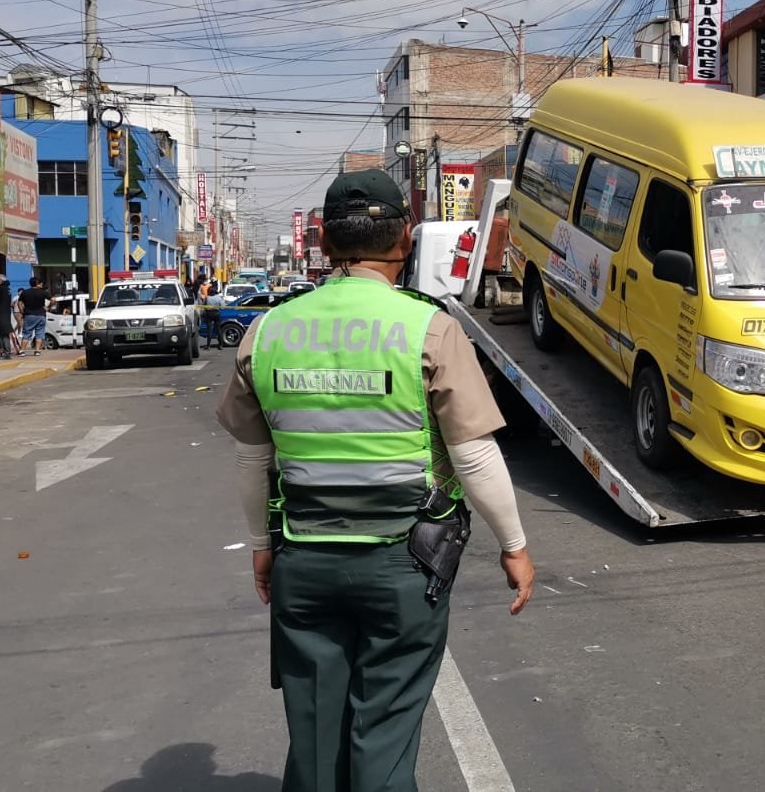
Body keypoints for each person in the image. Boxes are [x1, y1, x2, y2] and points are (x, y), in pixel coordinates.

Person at [216, 169, 536, 792]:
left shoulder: (268, 330)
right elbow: (472, 456)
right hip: (401, 566)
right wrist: (514, 545)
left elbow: (253, 459)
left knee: (312, 734)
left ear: (324, 241)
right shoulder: (430, 326)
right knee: (384, 733)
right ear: (404, 239)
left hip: (303, 559)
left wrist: (261, 548)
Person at [18, 278, 51, 357]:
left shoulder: (25, 292)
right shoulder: (43, 292)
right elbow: (53, 300)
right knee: (39, 334)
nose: (42, 285)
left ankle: (22, 351)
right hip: (41, 315)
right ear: (37, 283)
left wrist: (22, 312)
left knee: (26, 333)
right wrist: (48, 307)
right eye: (41, 283)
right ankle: (37, 351)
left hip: (29, 315)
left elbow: (19, 303)